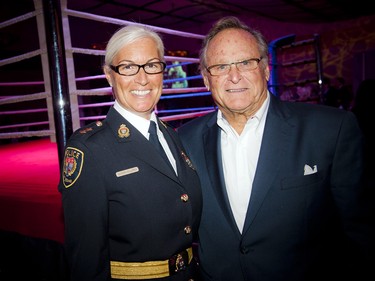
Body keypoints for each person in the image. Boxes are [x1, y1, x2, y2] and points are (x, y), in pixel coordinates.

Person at [178, 16, 374, 281]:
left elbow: (362, 231)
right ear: (206, 79)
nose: (234, 76)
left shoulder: (330, 130)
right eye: (221, 66)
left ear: (266, 69)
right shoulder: (184, 140)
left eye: (246, 62)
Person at [58, 25, 202, 281]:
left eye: (152, 65)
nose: (143, 78)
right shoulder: (89, 149)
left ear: (162, 71)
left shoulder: (172, 136)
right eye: (128, 67)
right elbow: (86, 260)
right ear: (108, 75)